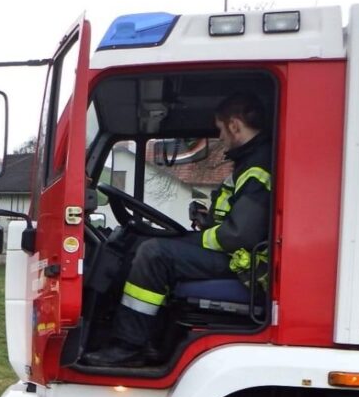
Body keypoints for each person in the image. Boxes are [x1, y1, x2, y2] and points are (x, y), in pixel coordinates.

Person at [83, 92, 273, 368]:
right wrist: (205, 223)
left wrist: (198, 238)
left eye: (220, 129)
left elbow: (238, 235)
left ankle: (129, 345)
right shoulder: (251, 160)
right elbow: (238, 219)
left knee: (153, 253)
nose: (220, 137)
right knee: (141, 241)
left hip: (244, 265)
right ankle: (148, 338)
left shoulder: (258, 165)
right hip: (234, 254)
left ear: (234, 125)